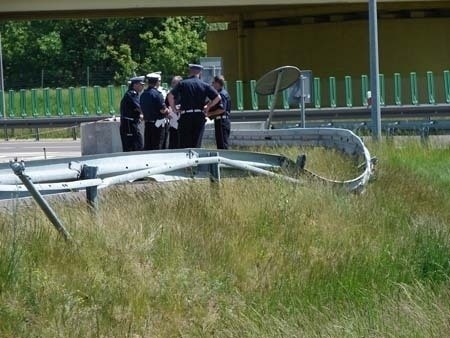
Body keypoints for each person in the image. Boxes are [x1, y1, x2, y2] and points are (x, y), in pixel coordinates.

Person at [167, 64, 221, 148]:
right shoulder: (204, 85)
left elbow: (170, 96)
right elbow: (218, 97)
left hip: (185, 116)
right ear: (200, 72)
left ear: (190, 71)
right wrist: (208, 107)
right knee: (196, 143)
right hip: (199, 116)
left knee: (184, 144)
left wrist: (174, 109)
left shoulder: (183, 83)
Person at [140, 72, 169, 150]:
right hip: (158, 124)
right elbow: (163, 110)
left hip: (148, 123)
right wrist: (168, 111)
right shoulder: (157, 94)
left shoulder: (143, 94)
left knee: (148, 146)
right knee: (158, 145)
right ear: (156, 82)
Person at [119, 75, 145, 152]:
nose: (142, 87)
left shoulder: (134, 94)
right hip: (129, 125)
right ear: (135, 85)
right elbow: (140, 108)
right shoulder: (132, 94)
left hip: (132, 123)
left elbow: (136, 109)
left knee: (136, 145)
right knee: (134, 146)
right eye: (141, 85)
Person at [207, 75, 231, 149]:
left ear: (217, 83)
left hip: (222, 121)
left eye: (213, 82)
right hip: (220, 120)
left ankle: (224, 158)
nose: (212, 84)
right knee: (220, 143)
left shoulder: (222, 94)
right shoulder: (221, 93)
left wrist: (210, 113)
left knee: (222, 145)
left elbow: (222, 109)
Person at [165, 75, 183, 149]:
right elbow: (165, 106)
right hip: (173, 122)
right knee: (173, 143)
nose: (172, 85)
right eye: (172, 83)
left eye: (174, 83)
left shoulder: (184, 94)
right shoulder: (169, 95)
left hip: (182, 122)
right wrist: (167, 113)